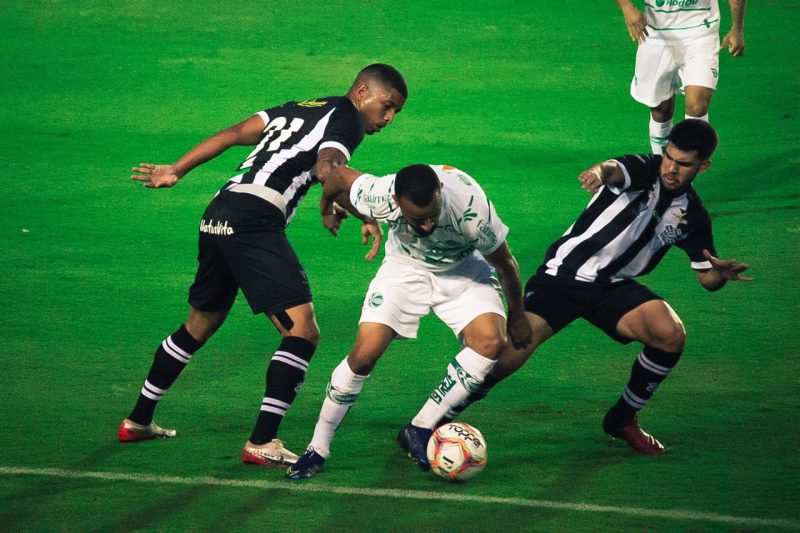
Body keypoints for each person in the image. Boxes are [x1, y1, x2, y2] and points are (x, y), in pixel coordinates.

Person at [118, 64, 408, 468]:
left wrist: (177, 169)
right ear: (362, 92)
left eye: (396, 112)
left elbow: (234, 133)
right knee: (303, 332)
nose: (390, 118)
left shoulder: (298, 107)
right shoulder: (348, 119)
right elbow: (330, 166)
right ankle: (263, 440)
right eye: (388, 105)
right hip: (254, 220)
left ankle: (137, 420)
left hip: (218, 212)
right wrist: (360, 208)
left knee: (199, 324)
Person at [440, 119, 752, 455]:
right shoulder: (645, 169)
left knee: (670, 334)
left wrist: (720, 275)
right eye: (670, 158)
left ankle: (623, 418)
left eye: (684, 164)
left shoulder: (693, 214)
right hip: (564, 277)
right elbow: (616, 169)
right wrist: (600, 172)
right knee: (504, 359)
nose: (672, 169)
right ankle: (437, 419)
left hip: (611, 287)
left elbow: (707, 278)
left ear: (703, 166)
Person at [285, 163, 533, 478]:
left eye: (433, 214)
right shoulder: (380, 194)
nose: (427, 225)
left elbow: (507, 265)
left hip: (463, 270)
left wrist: (518, 316)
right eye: (418, 219)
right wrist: (330, 210)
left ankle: (421, 427)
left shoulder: (472, 215)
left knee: (491, 342)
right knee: (363, 356)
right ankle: (316, 449)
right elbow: (335, 178)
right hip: (404, 269)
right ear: (398, 202)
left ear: (440, 193)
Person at [615, 0, 746, 154]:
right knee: (660, 110)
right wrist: (626, 7)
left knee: (697, 106)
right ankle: (661, 165)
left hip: (700, 31)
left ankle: (688, 173)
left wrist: (737, 27)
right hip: (656, 33)